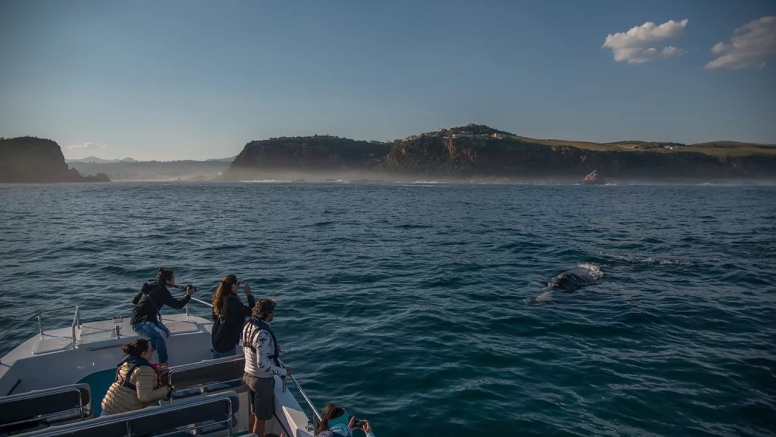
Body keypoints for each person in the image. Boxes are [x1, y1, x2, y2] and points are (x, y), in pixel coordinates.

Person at [242, 298, 291, 437]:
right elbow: (262, 364)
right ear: (268, 314)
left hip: (248, 374)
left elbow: (248, 347)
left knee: (253, 412)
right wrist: (283, 372)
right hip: (261, 380)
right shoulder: (263, 333)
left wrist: (269, 348)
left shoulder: (248, 325)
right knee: (261, 417)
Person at [130, 268, 195, 368]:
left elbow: (135, 301)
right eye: (173, 279)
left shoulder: (153, 284)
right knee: (160, 335)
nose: (174, 281)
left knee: (166, 333)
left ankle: (144, 352)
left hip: (149, 319)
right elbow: (177, 306)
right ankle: (163, 364)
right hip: (140, 322)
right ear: (167, 281)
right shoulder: (161, 290)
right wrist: (188, 296)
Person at [101, 339, 173, 415]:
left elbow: (135, 372)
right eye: (151, 350)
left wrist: (155, 367)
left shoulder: (127, 362)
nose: (152, 352)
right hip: (123, 412)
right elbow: (145, 397)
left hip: (110, 405)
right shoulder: (145, 370)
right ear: (144, 353)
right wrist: (167, 389)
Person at [211, 274, 255, 358]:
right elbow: (252, 311)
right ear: (233, 285)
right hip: (227, 343)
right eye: (238, 284)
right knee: (226, 368)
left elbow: (214, 317)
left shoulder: (218, 299)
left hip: (217, 339)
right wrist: (249, 295)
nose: (238, 286)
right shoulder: (233, 303)